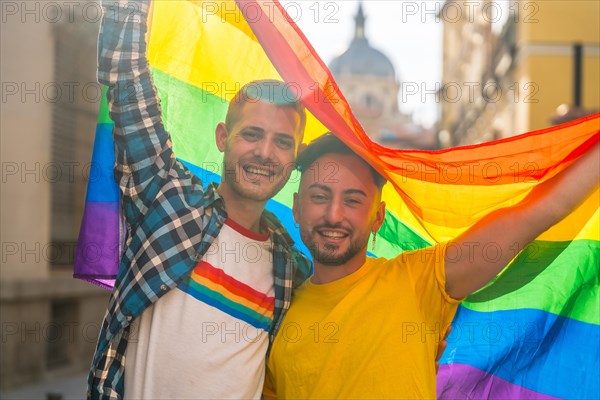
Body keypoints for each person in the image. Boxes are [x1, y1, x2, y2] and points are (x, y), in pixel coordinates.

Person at [88, 1, 312, 399]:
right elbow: (126, 81)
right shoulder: (167, 197)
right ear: (223, 137)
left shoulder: (292, 272)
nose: (264, 153)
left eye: (282, 142)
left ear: (294, 160)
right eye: (252, 134)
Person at [264, 133, 599, 399]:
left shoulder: (419, 279)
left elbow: (540, 212)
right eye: (319, 197)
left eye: (353, 201)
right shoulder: (274, 312)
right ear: (296, 207)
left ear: (378, 216)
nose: (334, 215)